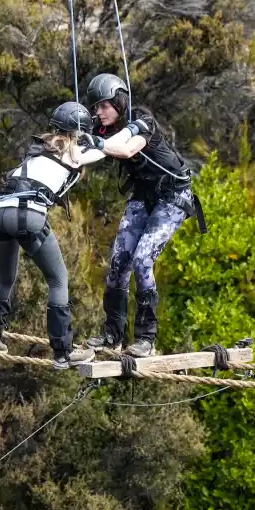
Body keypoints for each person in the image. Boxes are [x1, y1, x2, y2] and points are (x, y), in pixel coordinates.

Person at [79, 74, 207, 358]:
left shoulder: (142, 121)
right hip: (143, 196)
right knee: (118, 263)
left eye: (104, 106)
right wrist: (76, 143)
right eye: (96, 107)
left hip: (172, 197)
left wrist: (96, 143)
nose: (99, 112)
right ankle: (112, 336)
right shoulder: (103, 129)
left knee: (142, 259)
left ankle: (146, 340)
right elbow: (88, 152)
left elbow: (125, 148)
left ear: (119, 103)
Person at [0, 101, 107, 370]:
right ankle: (63, 353)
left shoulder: (40, 147)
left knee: (4, 277)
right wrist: (123, 132)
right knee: (58, 280)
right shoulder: (74, 151)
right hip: (27, 214)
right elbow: (106, 150)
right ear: (79, 131)